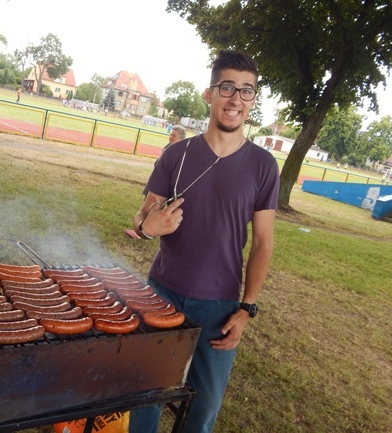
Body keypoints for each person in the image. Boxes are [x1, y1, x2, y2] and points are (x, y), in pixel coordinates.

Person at [130, 50, 279, 433]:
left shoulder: (263, 167)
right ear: (209, 94)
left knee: (204, 408)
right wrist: (151, 225)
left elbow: (263, 244)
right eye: (227, 87)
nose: (236, 99)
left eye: (247, 91)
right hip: (162, 292)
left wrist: (247, 309)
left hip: (220, 306)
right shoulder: (177, 155)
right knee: (146, 394)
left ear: (253, 100)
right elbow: (142, 217)